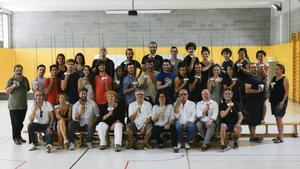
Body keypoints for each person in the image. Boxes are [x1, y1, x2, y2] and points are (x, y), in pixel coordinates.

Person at [5, 64, 30, 145]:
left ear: (22, 71)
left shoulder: (25, 79)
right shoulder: (11, 80)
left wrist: (21, 82)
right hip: (14, 106)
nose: (19, 72)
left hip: (23, 105)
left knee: (20, 123)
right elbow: (6, 91)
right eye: (17, 70)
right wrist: (13, 86)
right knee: (15, 123)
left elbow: (28, 89)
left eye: (20, 70)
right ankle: (15, 138)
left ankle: (19, 136)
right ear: (14, 71)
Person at [244, 63, 265, 143]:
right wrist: (257, 91)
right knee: (252, 120)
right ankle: (253, 137)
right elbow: (247, 90)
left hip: (259, 101)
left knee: (256, 119)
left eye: (255, 67)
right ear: (249, 69)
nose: (254, 69)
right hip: (251, 102)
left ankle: (254, 135)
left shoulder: (259, 77)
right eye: (252, 67)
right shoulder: (248, 78)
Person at [269, 64, 289, 143]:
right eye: (275, 69)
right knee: (277, 119)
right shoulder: (273, 78)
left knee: (279, 118)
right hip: (273, 101)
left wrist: (283, 101)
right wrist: (271, 87)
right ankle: (279, 135)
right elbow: (270, 89)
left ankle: (281, 137)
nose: (276, 71)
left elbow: (287, 92)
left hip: (280, 102)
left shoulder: (285, 79)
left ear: (281, 70)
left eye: (278, 69)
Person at [256, 50, 269, 123]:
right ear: (257, 57)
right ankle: (257, 117)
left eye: (261, 55)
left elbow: (266, 76)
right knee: (257, 102)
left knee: (263, 102)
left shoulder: (266, 65)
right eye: (259, 56)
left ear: (264, 56)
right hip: (257, 84)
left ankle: (263, 118)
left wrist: (263, 69)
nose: (260, 57)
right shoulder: (255, 65)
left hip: (264, 84)